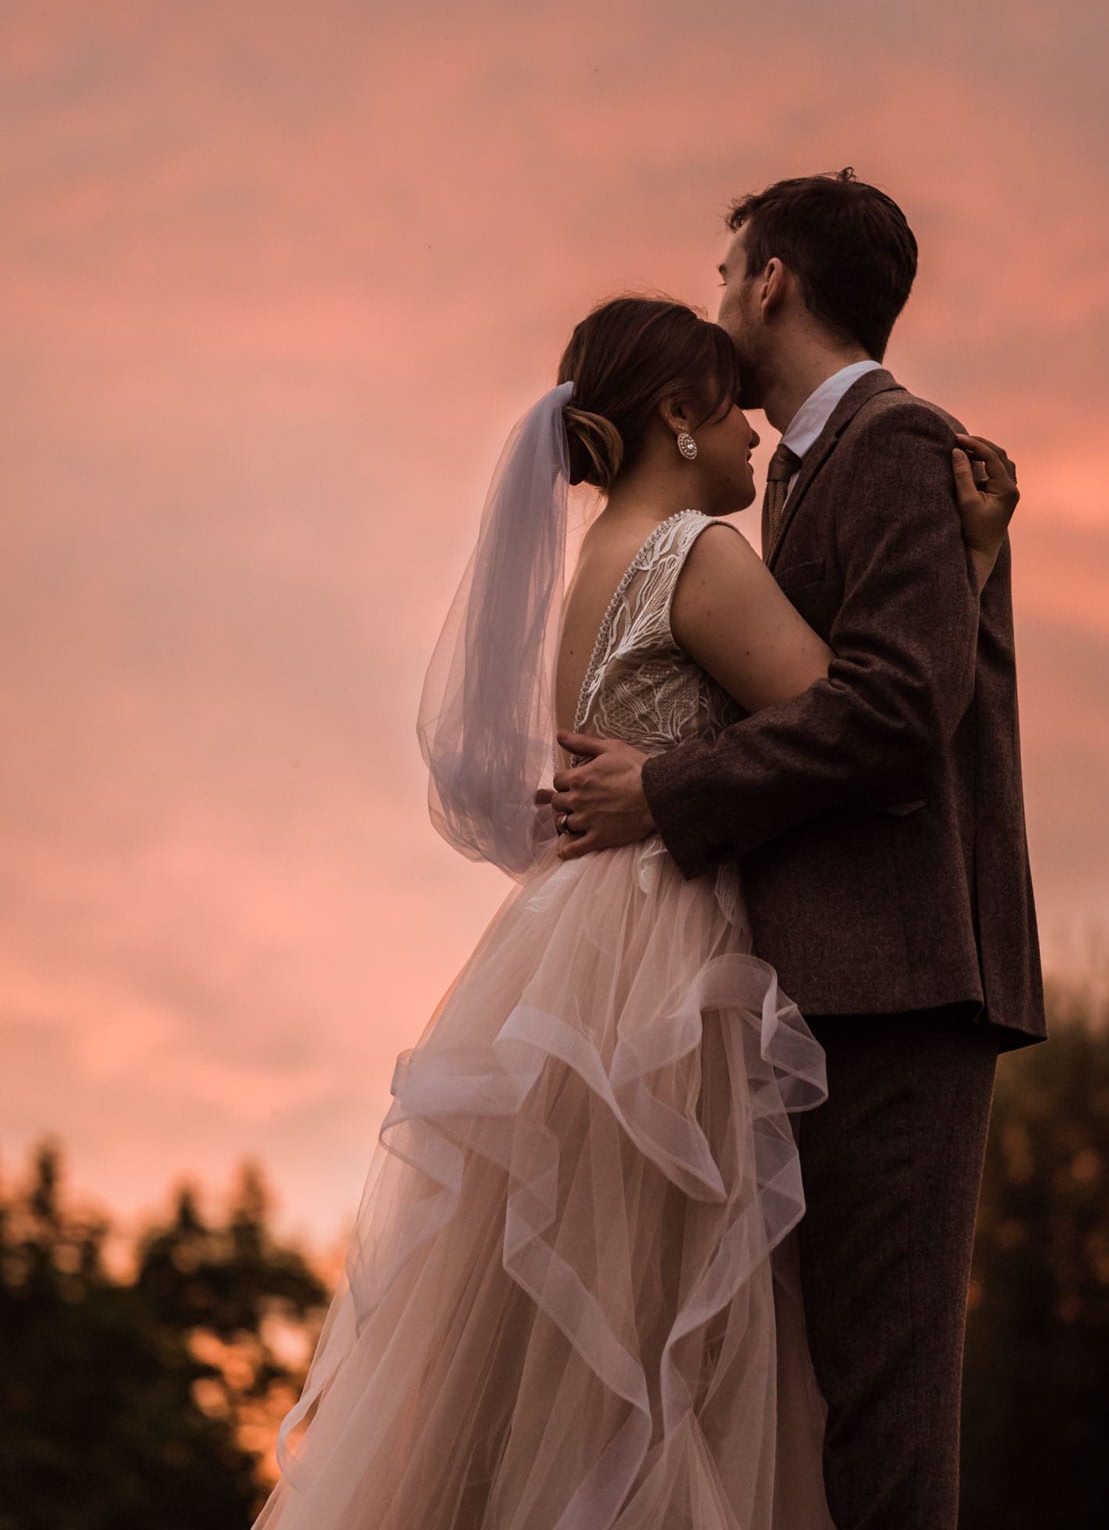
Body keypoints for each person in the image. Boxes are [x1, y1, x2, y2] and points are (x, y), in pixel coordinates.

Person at [251, 286, 1017, 1530]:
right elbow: (857, 715)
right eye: (732, 417)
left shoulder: (593, 568)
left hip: (566, 960)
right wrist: (965, 566)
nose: (755, 439)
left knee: (566, 1354)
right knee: (679, 1346)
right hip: (660, 962)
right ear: (677, 416)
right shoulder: (694, 556)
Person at [547, 172, 1045, 1530]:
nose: (717, 305)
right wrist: (975, 584)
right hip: (812, 988)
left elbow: (888, 713)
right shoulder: (802, 484)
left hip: (894, 984)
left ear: (773, 279)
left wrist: (672, 793)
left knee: (878, 1407)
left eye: (725, 276)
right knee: (804, 1402)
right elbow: (905, 687)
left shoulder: (889, 441)